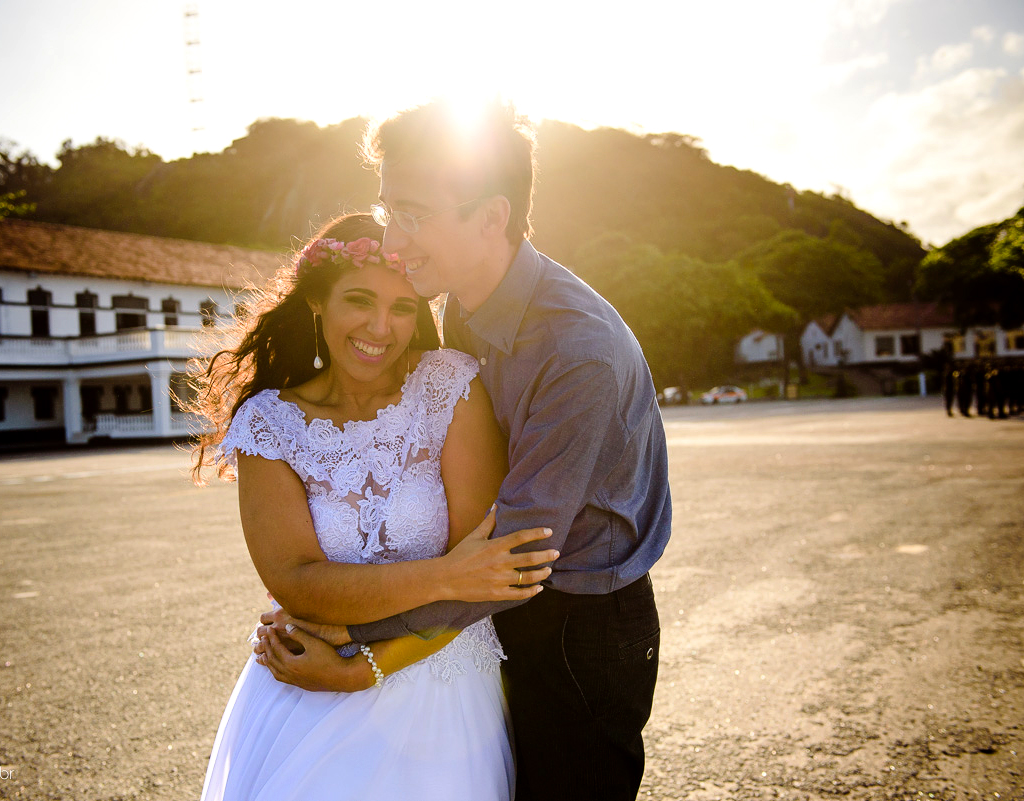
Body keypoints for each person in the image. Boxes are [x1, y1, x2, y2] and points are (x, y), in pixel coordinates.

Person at [264, 99, 672, 801]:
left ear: (491, 218)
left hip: (580, 626)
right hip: (491, 618)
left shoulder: (580, 353)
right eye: (389, 210)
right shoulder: (456, 304)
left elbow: (510, 557)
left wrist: (353, 644)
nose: (393, 239)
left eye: (414, 215)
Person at [189, 213, 557, 801]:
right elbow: (297, 584)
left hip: (442, 684)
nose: (381, 328)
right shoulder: (268, 423)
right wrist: (447, 575)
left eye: (404, 308)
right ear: (316, 304)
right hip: (306, 687)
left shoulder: (449, 386)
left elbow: (488, 574)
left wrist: (369, 664)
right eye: (359, 301)